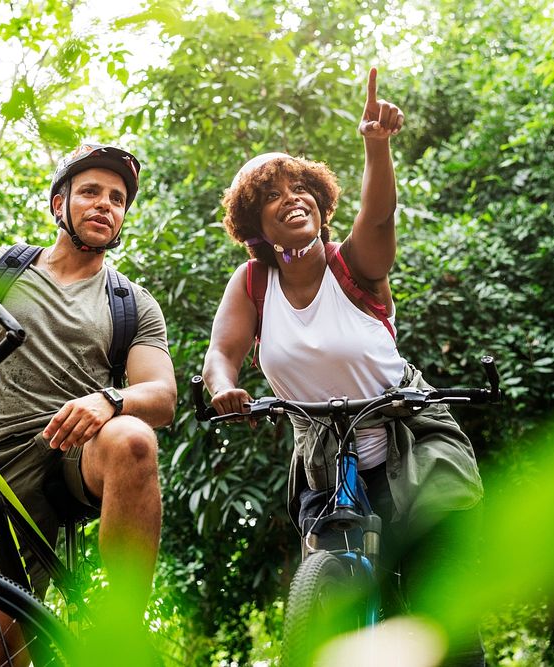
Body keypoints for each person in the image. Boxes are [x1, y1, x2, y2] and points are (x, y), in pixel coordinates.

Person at [202, 68, 485, 666]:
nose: (292, 198)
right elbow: (222, 354)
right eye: (273, 195)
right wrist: (225, 389)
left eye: (301, 187)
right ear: (256, 224)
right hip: (326, 455)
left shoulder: (353, 265)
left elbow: (378, 220)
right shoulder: (253, 282)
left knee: (439, 606)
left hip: (412, 439)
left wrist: (376, 148)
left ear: (321, 202)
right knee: (334, 595)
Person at [0, 143, 176, 628]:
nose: (105, 204)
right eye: (91, 192)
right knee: (1, 652)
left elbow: (161, 396)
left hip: (78, 454)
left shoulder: (133, 303)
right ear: (59, 204)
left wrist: (109, 400)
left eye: (117, 199)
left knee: (135, 439)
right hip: (0, 469)